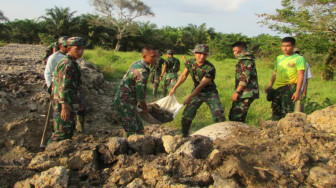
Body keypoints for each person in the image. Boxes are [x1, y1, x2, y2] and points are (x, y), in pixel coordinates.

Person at [169, 44, 225, 137]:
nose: (202, 56)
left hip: (210, 93)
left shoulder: (210, 68)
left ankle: (222, 136)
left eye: (205, 54)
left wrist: (189, 97)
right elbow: (183, 75)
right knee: (187, 115)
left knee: (218, 113)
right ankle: (184, 135)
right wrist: (174, 88)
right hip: (196, 92)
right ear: (194, 53)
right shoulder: (190, 62)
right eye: (199, 53)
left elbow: (201, 85)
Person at [114, 47, 159, 137]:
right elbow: (141, 95)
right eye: (153, 57)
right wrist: (145, 108)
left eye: (157, 56)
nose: (156, 59)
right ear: (144, 56)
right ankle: (129, 148)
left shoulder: (137, 63)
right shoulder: (142, 71)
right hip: (125, 101)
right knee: (133, 131)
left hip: (126, 99)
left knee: (137, 127)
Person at [48, 37, 87, 143]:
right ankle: (49, 154)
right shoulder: (67, 64)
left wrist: (79, 101)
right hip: (63, 105)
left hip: (69, 103)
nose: (81, 51)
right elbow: (63, 87)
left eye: (82, 49)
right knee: (61, 133)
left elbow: (74, 86)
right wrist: (64, 107)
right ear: (69, 49)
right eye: (77, 48)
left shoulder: (72, 63)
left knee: (67, 131)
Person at [265, 37, 306, 120]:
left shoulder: (299, 58)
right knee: (275, 111)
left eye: (287, 46)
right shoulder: (279, 58)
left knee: (287, 112)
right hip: (277, 88)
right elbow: (275, 73)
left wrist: (298, 91)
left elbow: (301, 75)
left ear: (293, 46)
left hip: (289, 88)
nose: (285, 48)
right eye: (283, 46)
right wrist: (270, 85)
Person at [229, 42, 259, 122]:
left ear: (242, 48)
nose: (234, 53)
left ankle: (238, 133)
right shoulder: (245, 60)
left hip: (245, 93)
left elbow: (244, 79)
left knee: (237, 117)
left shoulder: (246, 61)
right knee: (235, 115)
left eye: (236, 51)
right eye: (234, 51)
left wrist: (237, 92)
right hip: (244, 93)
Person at [294, 48, 313, 112]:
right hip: (290, 90)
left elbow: (306, 79)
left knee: (299, 112)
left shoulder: (305, 64)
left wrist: (304, 93)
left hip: (299, 91)